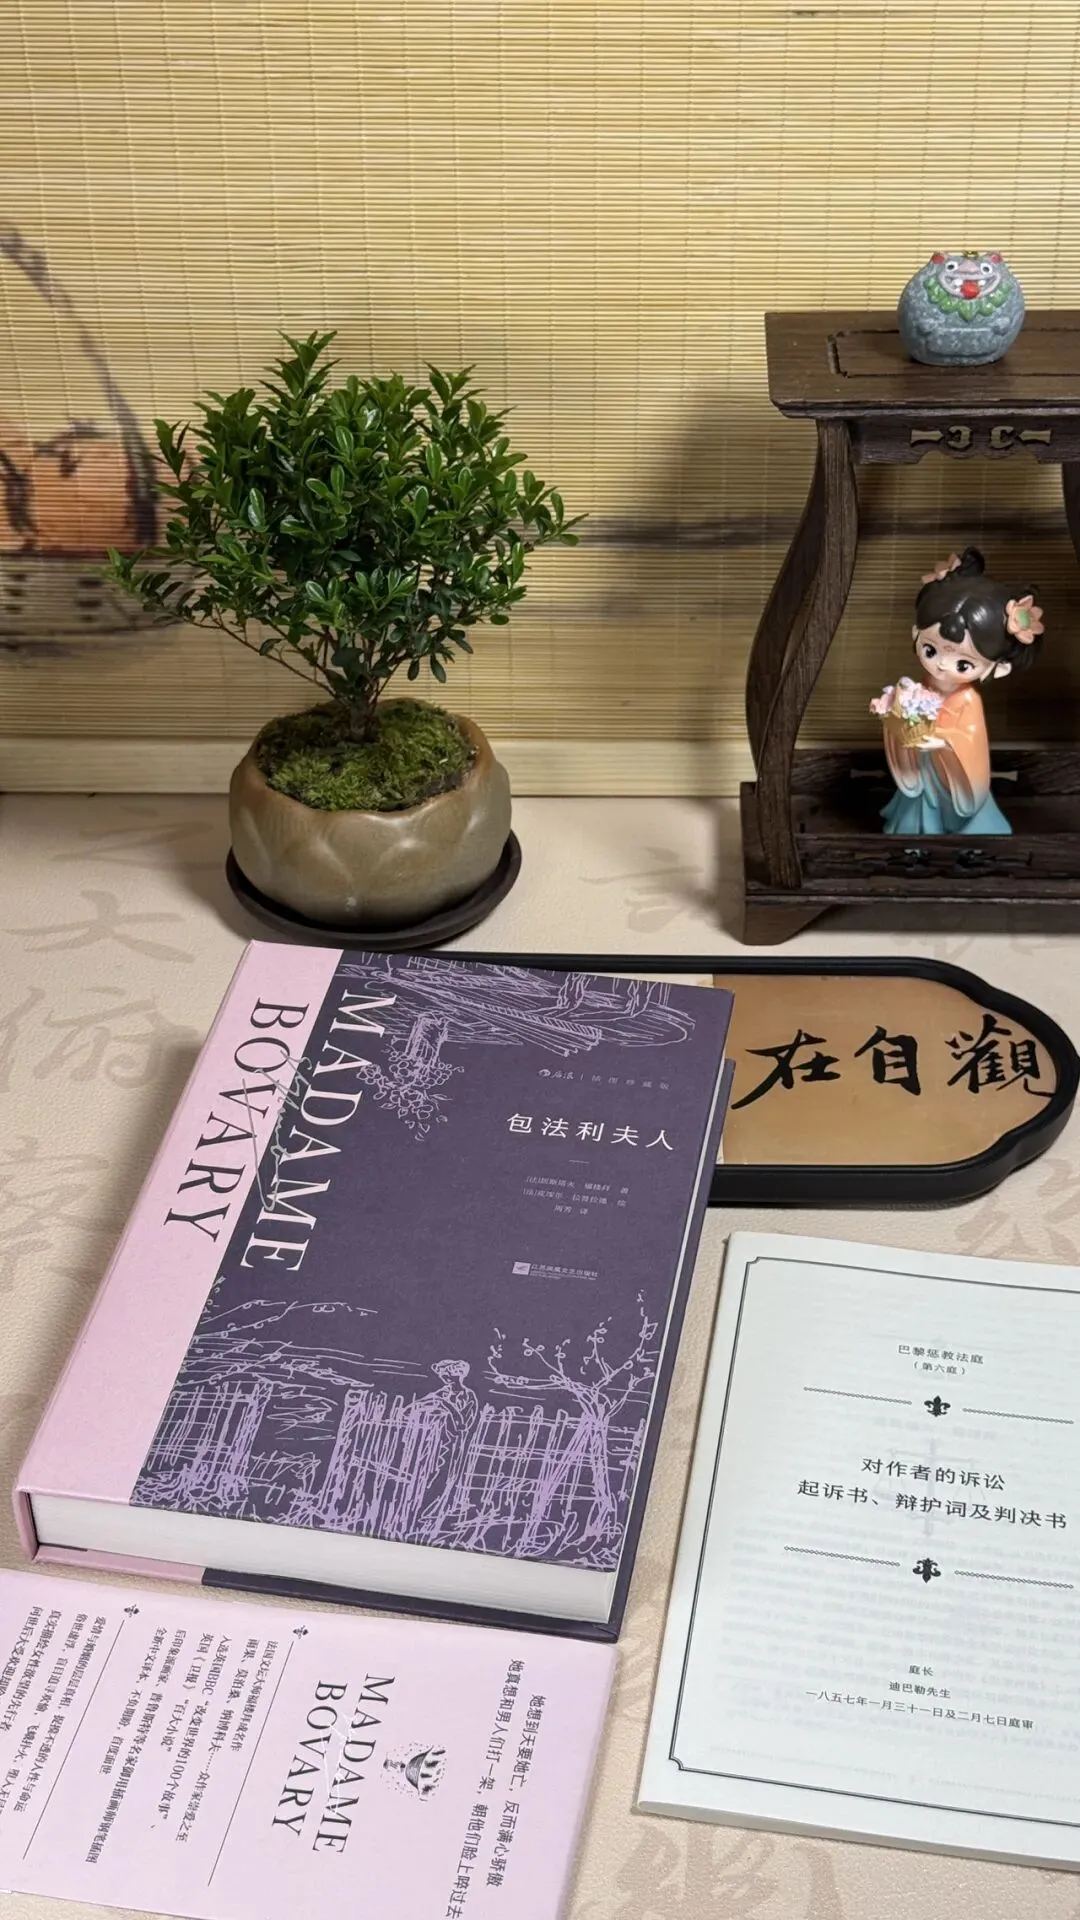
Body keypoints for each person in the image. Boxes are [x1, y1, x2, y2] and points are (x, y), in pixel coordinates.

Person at [871, 547, 1044, 835]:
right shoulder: (921, 684)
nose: (941, 665)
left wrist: (944, 742)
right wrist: (890, 709)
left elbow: (970, 742)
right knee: (915, 809)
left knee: (959, 811)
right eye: (930, 650)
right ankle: (913, 835)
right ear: (916, 634)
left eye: (963, 664)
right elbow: (901, 713)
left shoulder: (967, 700)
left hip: (952, 774)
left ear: (998, 668)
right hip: (923, 767)